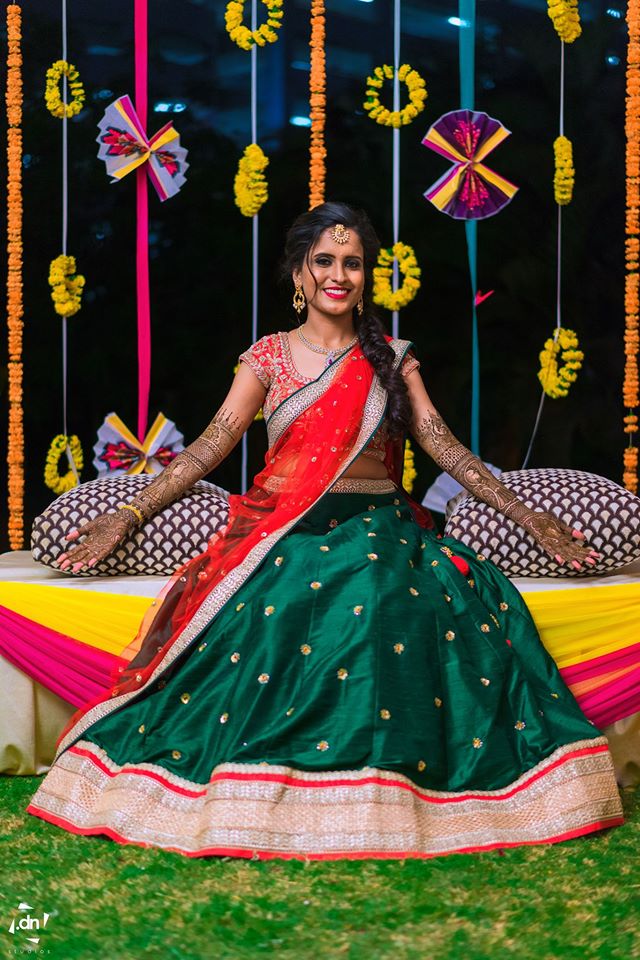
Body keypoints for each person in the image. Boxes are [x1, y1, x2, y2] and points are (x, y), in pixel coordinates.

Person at [27, 201, 623, 860]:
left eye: (352, 263)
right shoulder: (270, 356)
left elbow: (444, 445)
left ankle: (392, 790)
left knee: (390, 585)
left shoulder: (393, 357)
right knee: (283, 598)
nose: (339, 274)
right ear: (299, 275)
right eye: (325, 262)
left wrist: (530, 516)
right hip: (286, 526)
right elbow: (211, 445)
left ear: (365, 275)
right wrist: (127, 512)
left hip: (381, 525)